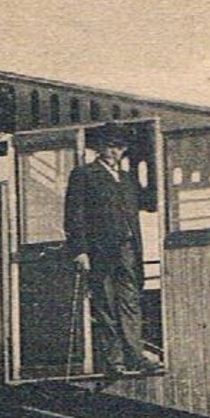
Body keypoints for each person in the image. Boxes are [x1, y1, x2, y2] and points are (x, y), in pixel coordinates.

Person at [63, 122, 158, 375]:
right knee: (105, 303)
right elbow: (75, 215)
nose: (116, 153)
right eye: (111, 147)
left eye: (121, 148)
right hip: (100, 250)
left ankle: (135, 357)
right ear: (100, 148)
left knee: (130, 302)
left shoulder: (127, 179)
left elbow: (149, 203)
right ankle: (114, 361)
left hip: (128, 249)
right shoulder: (84, 174)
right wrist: (80, 250)